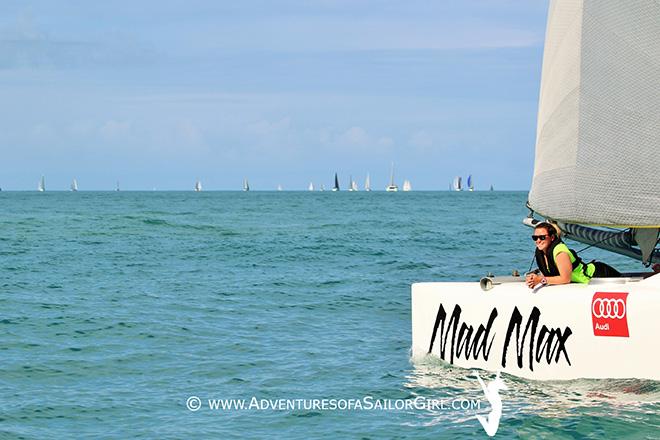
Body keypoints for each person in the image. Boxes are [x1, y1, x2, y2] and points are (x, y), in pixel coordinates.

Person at [525, 222, 620, 288]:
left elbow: (565, 278)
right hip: (592, 279)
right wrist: (534, 278)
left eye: (542, 237)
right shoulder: (541, 252)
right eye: (535, 237)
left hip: (599, 275)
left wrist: (541, 280)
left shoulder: (560, 251)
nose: (538, 241)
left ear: (552, 237)